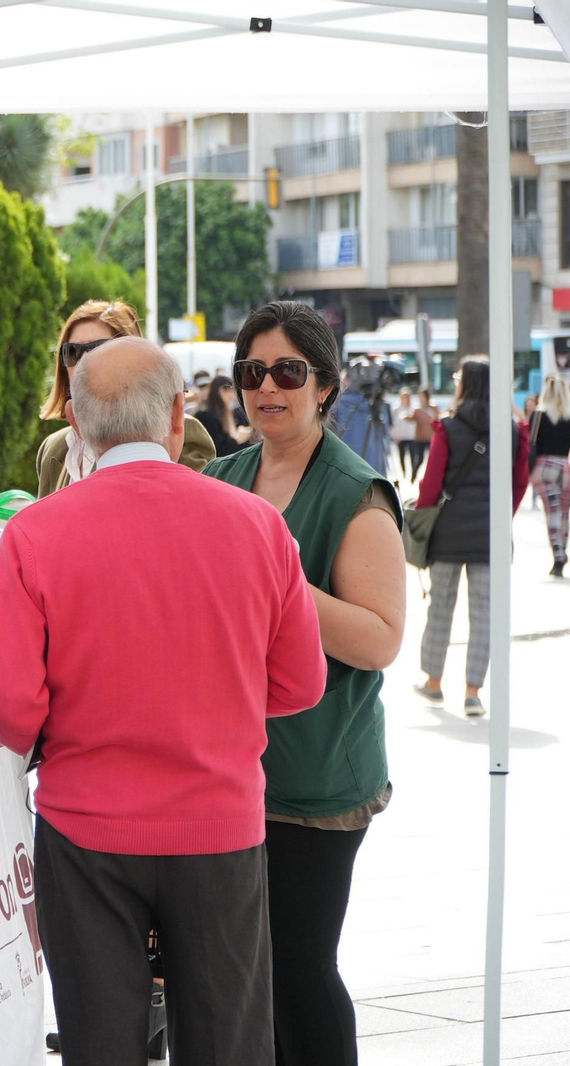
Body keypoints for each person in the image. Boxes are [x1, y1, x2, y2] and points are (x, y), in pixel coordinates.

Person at [0, 336, 327, 1066]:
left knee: (100, 1044)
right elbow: (301, 683)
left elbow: (9, 706)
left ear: (75, 423)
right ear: (177, 415)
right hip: (221, 825)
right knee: (229, 1042)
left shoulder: (36, 533)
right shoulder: (258, 525)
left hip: (86, 831)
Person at [204, 301, 407, 1066]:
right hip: (225, 770)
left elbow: (381, 638)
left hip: (317, 779)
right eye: (252, 372)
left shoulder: (355, 493)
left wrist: (279, 574)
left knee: (297, 966)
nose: (267, 387)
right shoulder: (220, 479)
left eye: (288, 371)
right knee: (237, 973)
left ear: (326, 384)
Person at [413, 356, 530, 715]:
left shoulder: (447, 428)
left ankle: (433, 683)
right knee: (484, 612)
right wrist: (501, 517)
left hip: (447, 532)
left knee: (441, 606)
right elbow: (520, 480)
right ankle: (473, 692)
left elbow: (431, 482)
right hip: (489, 536)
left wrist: (421, 514)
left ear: (466, 384)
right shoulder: (509, 430)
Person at [34, 300, 215, 497]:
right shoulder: (55, 447)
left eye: (99, 350)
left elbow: (198, 510)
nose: (84, 363)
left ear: (135, 356)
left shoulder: (178, 430)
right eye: (73, 352)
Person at [530, 375, 570, 575]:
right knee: (563, 512)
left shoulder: (538, 415)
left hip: (544, 467)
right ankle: (562, 546)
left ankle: (558, 554)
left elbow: (531, 443)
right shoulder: (568, 415)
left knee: (552, 510)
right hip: (565, 466)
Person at [195, 373, 251, 457]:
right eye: (231, 390)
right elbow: (218, 449)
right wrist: (238, 439)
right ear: (221, 391)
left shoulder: (226, 413)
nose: (233, 395)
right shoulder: (206, 416)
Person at [393, 388, 421, 482]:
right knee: (402, 455)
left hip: (411, 436)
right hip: (401, 436)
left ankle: (412, 474)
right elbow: (393, 423)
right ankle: (404, 472)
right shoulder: (396, 410)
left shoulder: (414, 408)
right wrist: (395, 434)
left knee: (413, 455)